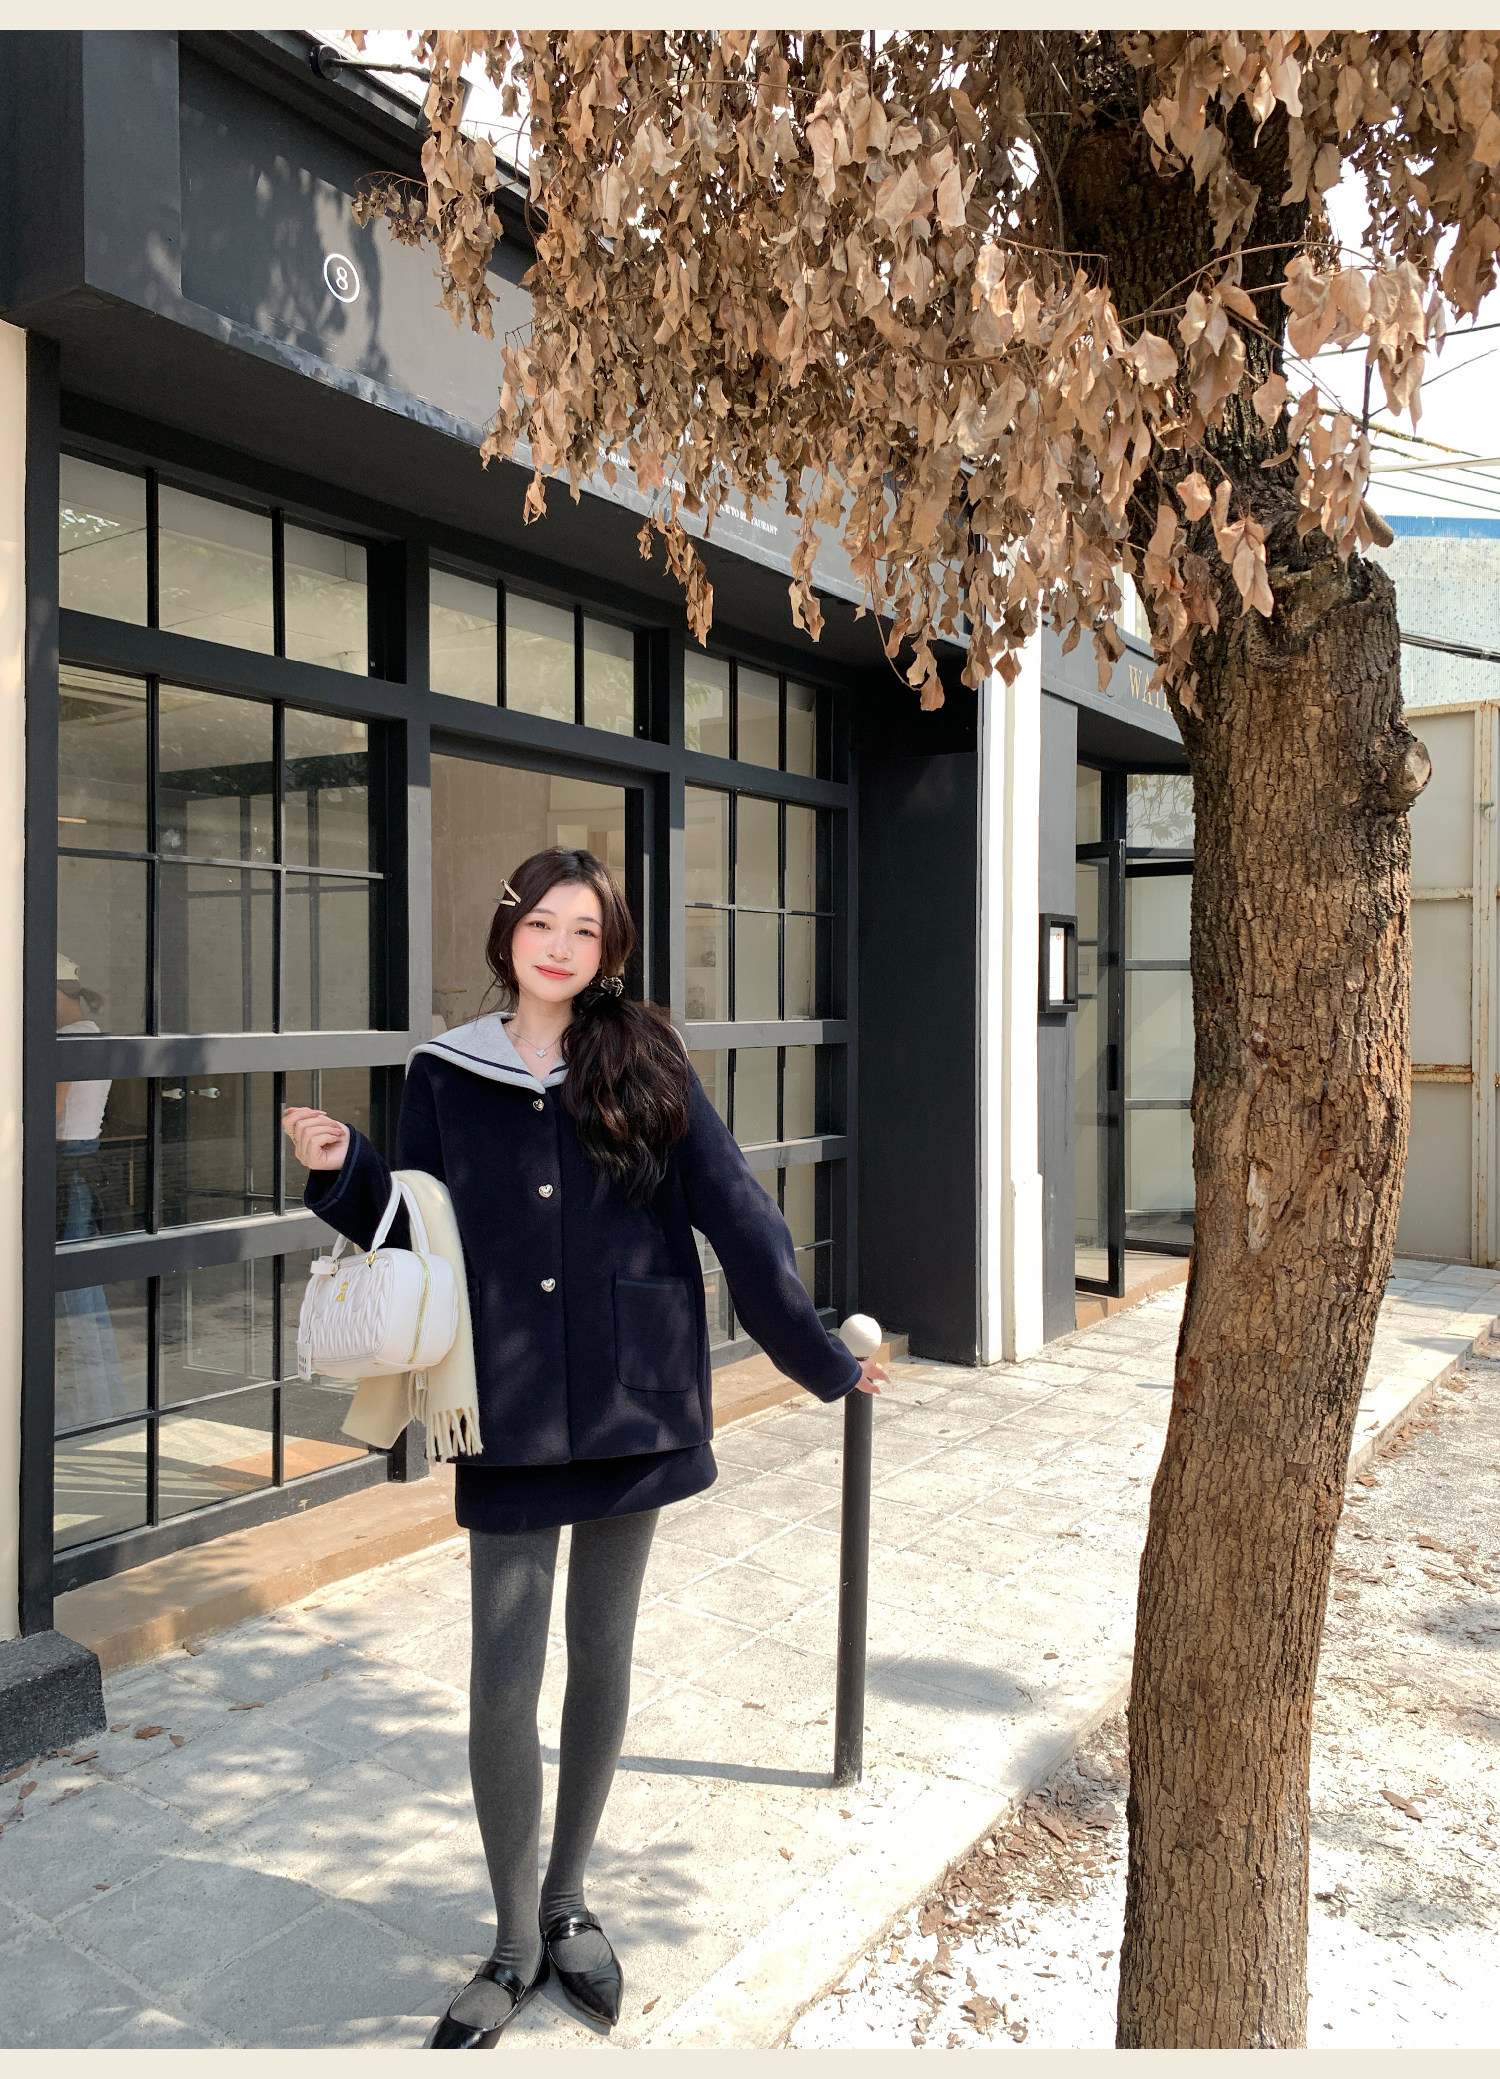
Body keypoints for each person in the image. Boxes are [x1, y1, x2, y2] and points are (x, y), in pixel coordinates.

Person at [283, 847, 886, 2048]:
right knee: (503, 1675)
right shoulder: (445, 1069)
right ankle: (513, 1942)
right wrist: (344, 1169)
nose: (561, 947)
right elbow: (412, 1222)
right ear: (508, 931)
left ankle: (568, 1904)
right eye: (542, 924)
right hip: (504, 1405)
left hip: (630, 1393)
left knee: (602, 1650)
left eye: (586, 931)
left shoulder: (646, 1057)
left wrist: (817, 1357)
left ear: (610, 950)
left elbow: (738, 1213)